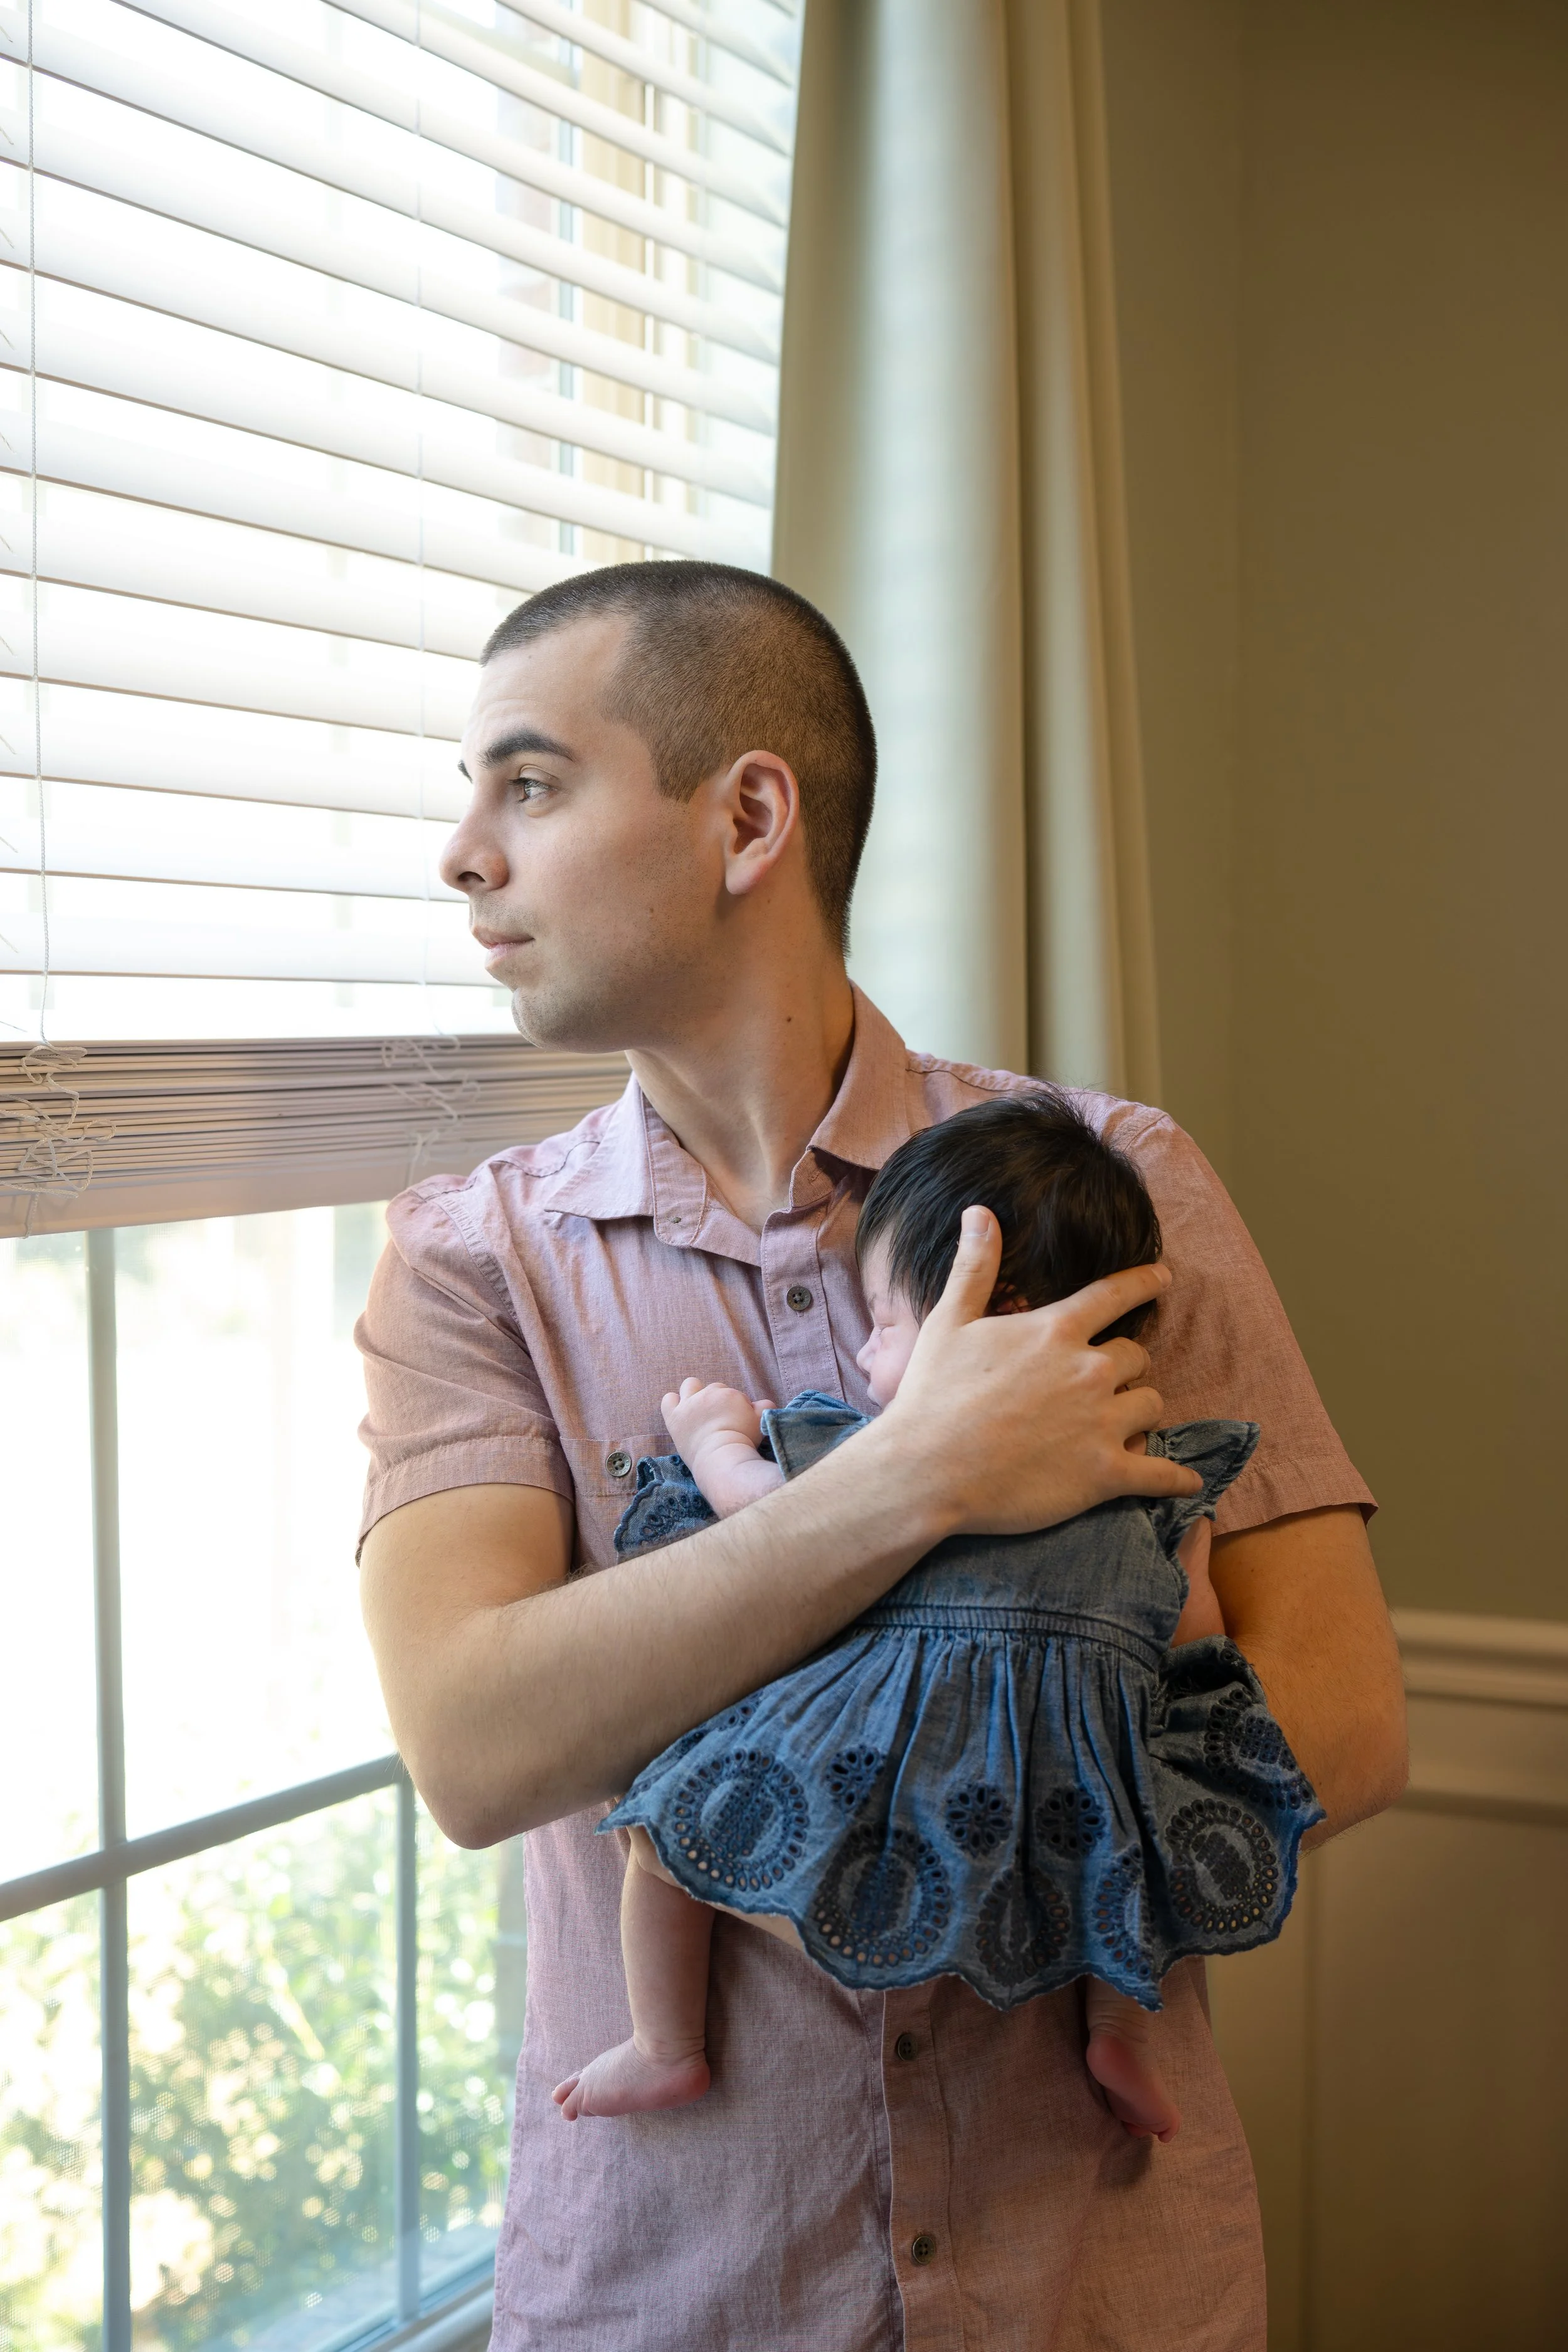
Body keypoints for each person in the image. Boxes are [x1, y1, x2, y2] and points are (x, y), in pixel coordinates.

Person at [356, 559, 1407, 2351]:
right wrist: (915, 1479)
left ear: (746, 814)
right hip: (682, 2295)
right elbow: (472, 1743)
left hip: (1103, 2281)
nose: (464, 850)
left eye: (526, 783)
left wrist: (931, 1763)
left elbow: (1347, 1716)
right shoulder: (465, 1260)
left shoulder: (1110, 1174)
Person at [553, 1094, 1323, 2148]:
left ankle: (666, 2043)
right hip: (1072, 1778)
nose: (869, 1356)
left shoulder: (869, 1452)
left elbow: (763, 1518)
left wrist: (713, 1437)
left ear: (988, 1309)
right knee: (1134, 1872)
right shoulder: (1158, 1479)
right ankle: (1119, 2037)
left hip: (892, 1770)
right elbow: (1191, 1626)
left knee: (658, 1829)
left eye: (887, 1322)